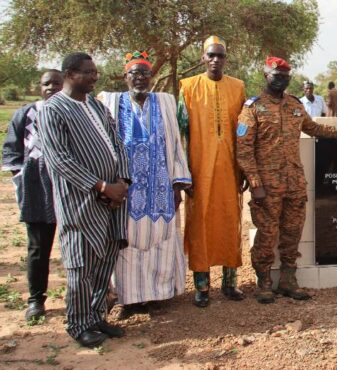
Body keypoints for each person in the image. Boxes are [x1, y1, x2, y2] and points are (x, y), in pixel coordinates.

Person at [236, 57, 337, 304]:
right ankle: (263, 282)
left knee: (292, 233)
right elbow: (243, 150)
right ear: (266, 76)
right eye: (277, 76)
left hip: (295, 183)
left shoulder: (295, 105)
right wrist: (255, 184)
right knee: (267, 234)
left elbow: (315, 129)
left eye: (285, 76)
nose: (282, 80)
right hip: (267, 186)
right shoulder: (252, 108)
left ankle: (288, 280)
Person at [37, 52, 130, 347]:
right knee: (81, 263)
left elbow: (117, 143)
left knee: (105, 259)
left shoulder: (96, 106)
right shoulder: (53, 110)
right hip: (81, 201)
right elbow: (60, 160)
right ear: (70, 74)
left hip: (112, 199)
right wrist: (102, 186)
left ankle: (95, 315)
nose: (94, 77)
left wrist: (122, 183)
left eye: (95, 72)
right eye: (88, 72)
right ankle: (78, 324)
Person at [98, 52, 191, 316]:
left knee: (159, 240)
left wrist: (177, 185)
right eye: (134, 74)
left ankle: (156, 295)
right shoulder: (111, 103)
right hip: (126, 191)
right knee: (126, 241)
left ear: (151, 78)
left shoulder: (164, 103)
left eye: (144, 74)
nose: (139, 78)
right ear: (125, 77)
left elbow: (174, 145)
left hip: (159, 189)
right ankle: (128, 299)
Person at [178, 36, 246, 307]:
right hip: (199, 171)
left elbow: (243, 132)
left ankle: (230, 284)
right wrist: (183, 173)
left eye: (220, 55)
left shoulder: (238, 88)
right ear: (202, 58)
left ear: (225, 59)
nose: (216, 59)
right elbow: (181, 135)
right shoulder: (188, 87)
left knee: (231, 222)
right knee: (200, 225)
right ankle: (202, 286)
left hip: (230, 171)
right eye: (211, 55)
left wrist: (244, 169)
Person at [2, 69, 63, 322]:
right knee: (38, 247)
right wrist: (20, 178)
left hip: (70, 187)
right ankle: (36, 300)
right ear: (40, 87)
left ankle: (82, 298)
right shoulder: (26, 113)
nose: (51, 88)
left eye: (56, 84)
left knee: (77, 247)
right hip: (37, 187)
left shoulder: (76, 111)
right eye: (46, 84)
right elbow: (11, 151)